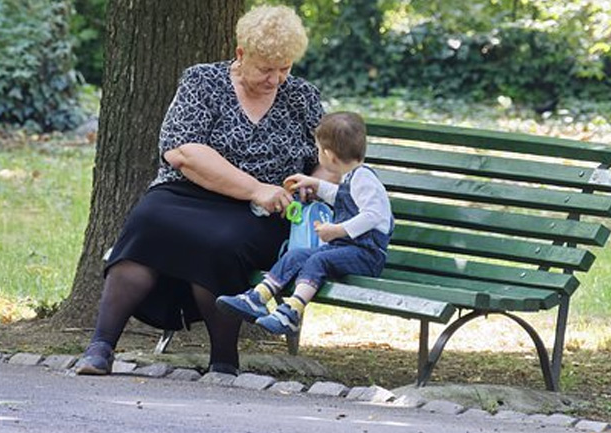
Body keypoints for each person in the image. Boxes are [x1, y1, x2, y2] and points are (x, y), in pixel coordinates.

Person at [74, 5, 331, 376]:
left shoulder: (302, 97)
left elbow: (327, 158)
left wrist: (314, 182)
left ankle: (224, 360)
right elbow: (183, 151)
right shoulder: (203, 81)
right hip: (188, 193)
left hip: (261, 213)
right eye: (265, 68)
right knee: (148, 221)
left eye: (285, 68)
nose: (276, 79)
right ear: (241, 54)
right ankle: (100, 347)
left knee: (222, 242)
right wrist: (254, 187)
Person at [216, 112, 394, 335]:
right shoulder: (353, 177)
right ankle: (257, 298)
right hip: (347, 250)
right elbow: (342, 197)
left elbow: (374, 215)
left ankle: (292, 312)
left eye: (318, 150)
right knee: (296, 255)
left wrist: (337, 230)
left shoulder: (364, 179)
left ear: (328, 155)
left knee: (319, 260)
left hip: (367, 256)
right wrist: (315, 184)